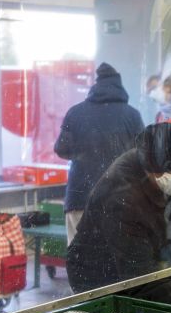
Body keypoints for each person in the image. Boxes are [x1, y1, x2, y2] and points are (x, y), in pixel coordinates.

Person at [66, 123, 171, 307]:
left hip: (134, 267)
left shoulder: (150, 164)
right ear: (158, 169)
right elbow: (144, 281)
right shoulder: (121, 200)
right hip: (100, 278)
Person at [54, 62, 145, 243]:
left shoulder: (75, 113)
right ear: (120, 87)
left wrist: (85, 154)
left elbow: (61, 149)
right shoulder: (132, 115)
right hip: (119, 201)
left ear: (95, 85)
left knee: (79, 261)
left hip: (80, 198)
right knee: (114, 262)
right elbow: (143, 157)